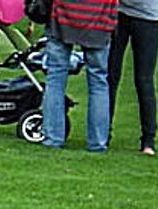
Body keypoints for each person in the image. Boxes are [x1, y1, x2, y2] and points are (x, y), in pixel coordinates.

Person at [41, 0, 119, 152]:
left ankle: (53, 137)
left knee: (55, 77)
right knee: (98, 81)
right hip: (99, 21)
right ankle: (97, 142)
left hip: (62, 18)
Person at [108, 0, 158, 155]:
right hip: (118, 13)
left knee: (144, 80)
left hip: (148, 17)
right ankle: (102, 133)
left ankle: (148, 139)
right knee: (110, 77)